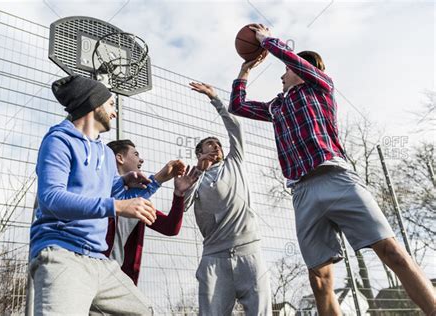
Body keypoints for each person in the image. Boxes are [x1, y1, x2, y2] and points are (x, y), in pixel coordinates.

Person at [229, 24, 436, 315]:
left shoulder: (320, 86)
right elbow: (237, 106)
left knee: (393, 253)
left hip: (337, 178)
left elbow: (289, 58)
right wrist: (245, 71)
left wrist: (264, 40)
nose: (281, 75)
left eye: (286, 70)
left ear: (301, 69)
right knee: (320, 278)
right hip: (301, 190)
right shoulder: (277, 106)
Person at [29, 74, 180, 315]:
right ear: (93, 104)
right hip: (63, 254)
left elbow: (113, 193)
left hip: (100, 262)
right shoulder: (58, 141)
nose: (115, 112)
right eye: (111, 104)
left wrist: (139, 181)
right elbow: (52, 199)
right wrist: (116, 206)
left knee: (145, 311)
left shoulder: (104, 152)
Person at [185, 82, 271, 316]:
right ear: (199, 154)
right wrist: (199, 173)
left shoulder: (234, 161)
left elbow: (235, 126)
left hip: (249, 250)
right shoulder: (194, 176)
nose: (216, 147)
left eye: (218, 144)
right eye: (209, 145)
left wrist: (214, 98)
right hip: (214, 256)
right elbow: (183, 204)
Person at [104, 139, 199, 285]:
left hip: (116, 273)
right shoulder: (100, 185)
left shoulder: (139, 200)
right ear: (120, 158)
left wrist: (178, 194)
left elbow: (170, 228)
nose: (141, 159)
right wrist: (159, 177)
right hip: (92, 265)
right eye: (135, 154)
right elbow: (115, 198)